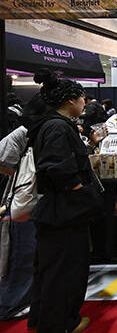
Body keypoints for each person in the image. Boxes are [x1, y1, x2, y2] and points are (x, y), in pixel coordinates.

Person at [27, 69, 104, 332]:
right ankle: (60, 323)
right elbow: (56, 167)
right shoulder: (57, 127)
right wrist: (79, 189)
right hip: (64, 211)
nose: (85, 103)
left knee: (52, 268)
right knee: (66, 269)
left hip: (60, 209)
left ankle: (44, 319)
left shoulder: (52, 124)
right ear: (70, 100)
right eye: (82, 98)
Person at [0, 95, 48, 321]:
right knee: (22, 253)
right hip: (22, 200)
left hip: (32, 199)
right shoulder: (22, 133)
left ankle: (22, 299)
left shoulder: (39, 130)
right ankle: (11, 304)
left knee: (30, 252)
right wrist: (24, 175)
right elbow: (3, 162)